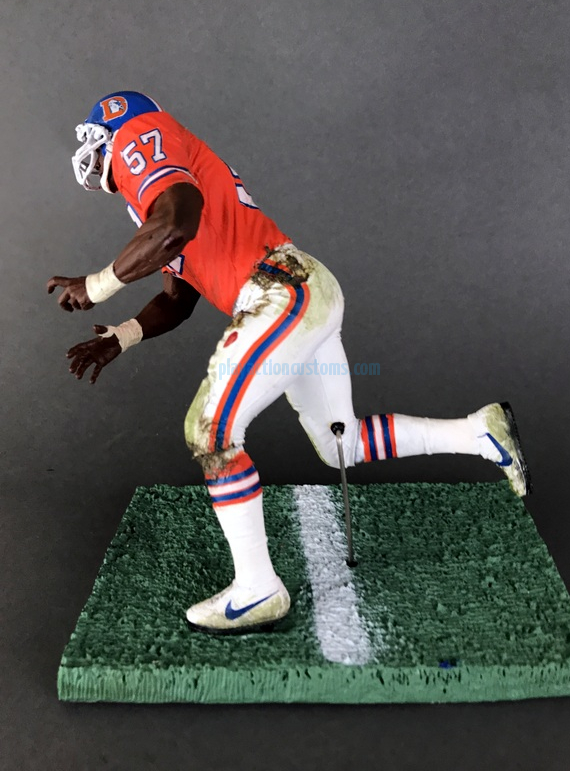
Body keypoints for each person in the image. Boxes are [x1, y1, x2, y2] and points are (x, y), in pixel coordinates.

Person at [47, 91, 531, 635]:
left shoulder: (144, 140)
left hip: (278, 290)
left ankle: (257, 589)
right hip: (299, 287)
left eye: (95, 139)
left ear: (117, 129)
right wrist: (124, 336)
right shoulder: (154, 203)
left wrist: (97, 285)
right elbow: (177, 297)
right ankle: (480, 433)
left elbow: (175, 224)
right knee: (342, 443)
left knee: (210, 431)